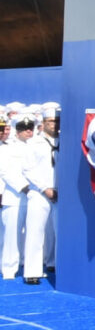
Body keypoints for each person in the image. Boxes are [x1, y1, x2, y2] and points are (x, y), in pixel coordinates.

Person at [23, 104, 57, 281]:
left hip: (59, 194)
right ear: (43, 123)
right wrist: (45, 188)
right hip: (39, 193)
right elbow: (27, 169)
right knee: (35, 232)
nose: (55, 125)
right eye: (51, 121)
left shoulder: (63, 141)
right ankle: (32, 272)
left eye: (57, 121)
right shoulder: (33, 143)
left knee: (58, 231)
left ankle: (54, 263)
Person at [0, 116, 34, 281]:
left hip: (35, 196)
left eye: (30, 128)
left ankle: (28, 265)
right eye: (23, 129)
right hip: (14, 196)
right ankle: (8, 269)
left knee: (31, 234)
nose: (28, 131)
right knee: (11, 235)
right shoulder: (7, 149)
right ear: (17, 131)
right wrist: (24, 187)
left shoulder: (37, 147)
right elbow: (5, 171)